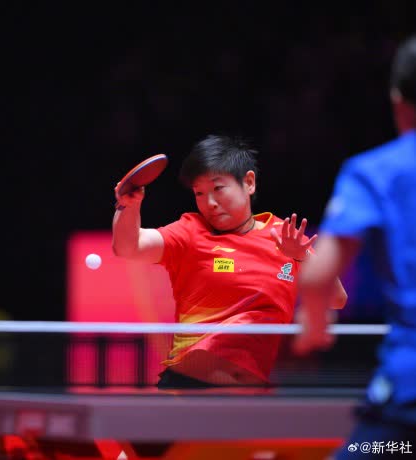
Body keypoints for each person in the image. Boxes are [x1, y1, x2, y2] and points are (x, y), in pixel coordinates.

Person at [112, 134, 347, 387]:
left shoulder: (284, 236)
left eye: (218, 188)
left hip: (250, 392)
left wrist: (303, 257)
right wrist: (128, 206)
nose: (210, 203)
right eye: (199, 193)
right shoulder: (190, 232)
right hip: (190, 387)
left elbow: (337, 299)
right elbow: (128, 247)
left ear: (249, 182)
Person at [296, 36, 416, 450]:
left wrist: (314, 328)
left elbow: (318, 277)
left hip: (407, 393)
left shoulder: (373, 172)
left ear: (398, 100)